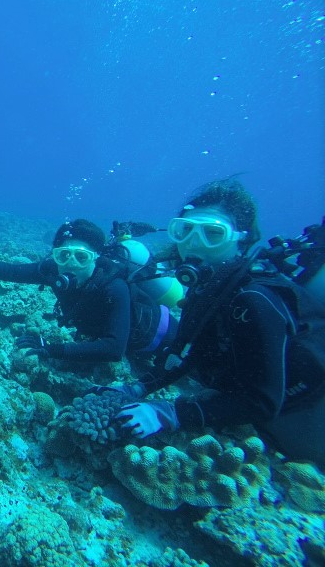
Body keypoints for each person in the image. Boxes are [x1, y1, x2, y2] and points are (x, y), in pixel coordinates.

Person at [116, 179, 325, 466]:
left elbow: (261, 402)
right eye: (185, 230)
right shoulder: (209, 289)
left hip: (304, 417)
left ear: (241, 239)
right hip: (249, 407)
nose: (193, 243)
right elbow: (184, 352)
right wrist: (137, 388)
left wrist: (170, 413)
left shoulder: (253, 299)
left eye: (213, 234)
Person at [0, 219, 177, 363]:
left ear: (96, 259)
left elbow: (114, 349)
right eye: (63, 255)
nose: (70, 264)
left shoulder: (113, 287)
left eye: (81, 257)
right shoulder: (51, 270)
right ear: (55, 255)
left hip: (164, 338)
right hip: (135, 351)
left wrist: (50, 349)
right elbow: (11, 272)